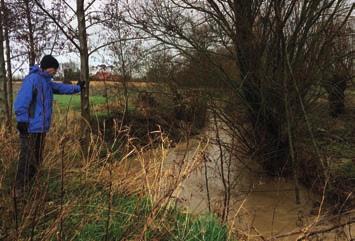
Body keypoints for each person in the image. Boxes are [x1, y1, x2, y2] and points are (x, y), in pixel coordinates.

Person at [13, 55, 85, 196]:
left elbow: (60, 88)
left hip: (41, 128)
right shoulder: (33, 79)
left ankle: (31, 189)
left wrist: (77, 87)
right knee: (26, 160)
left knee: (36, 160)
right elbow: (21, 101)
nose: (55, 72)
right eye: (54, 69)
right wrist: (22, 120)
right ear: (48, 67)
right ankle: (18, 191)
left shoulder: (46, 82)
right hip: (29, 128)